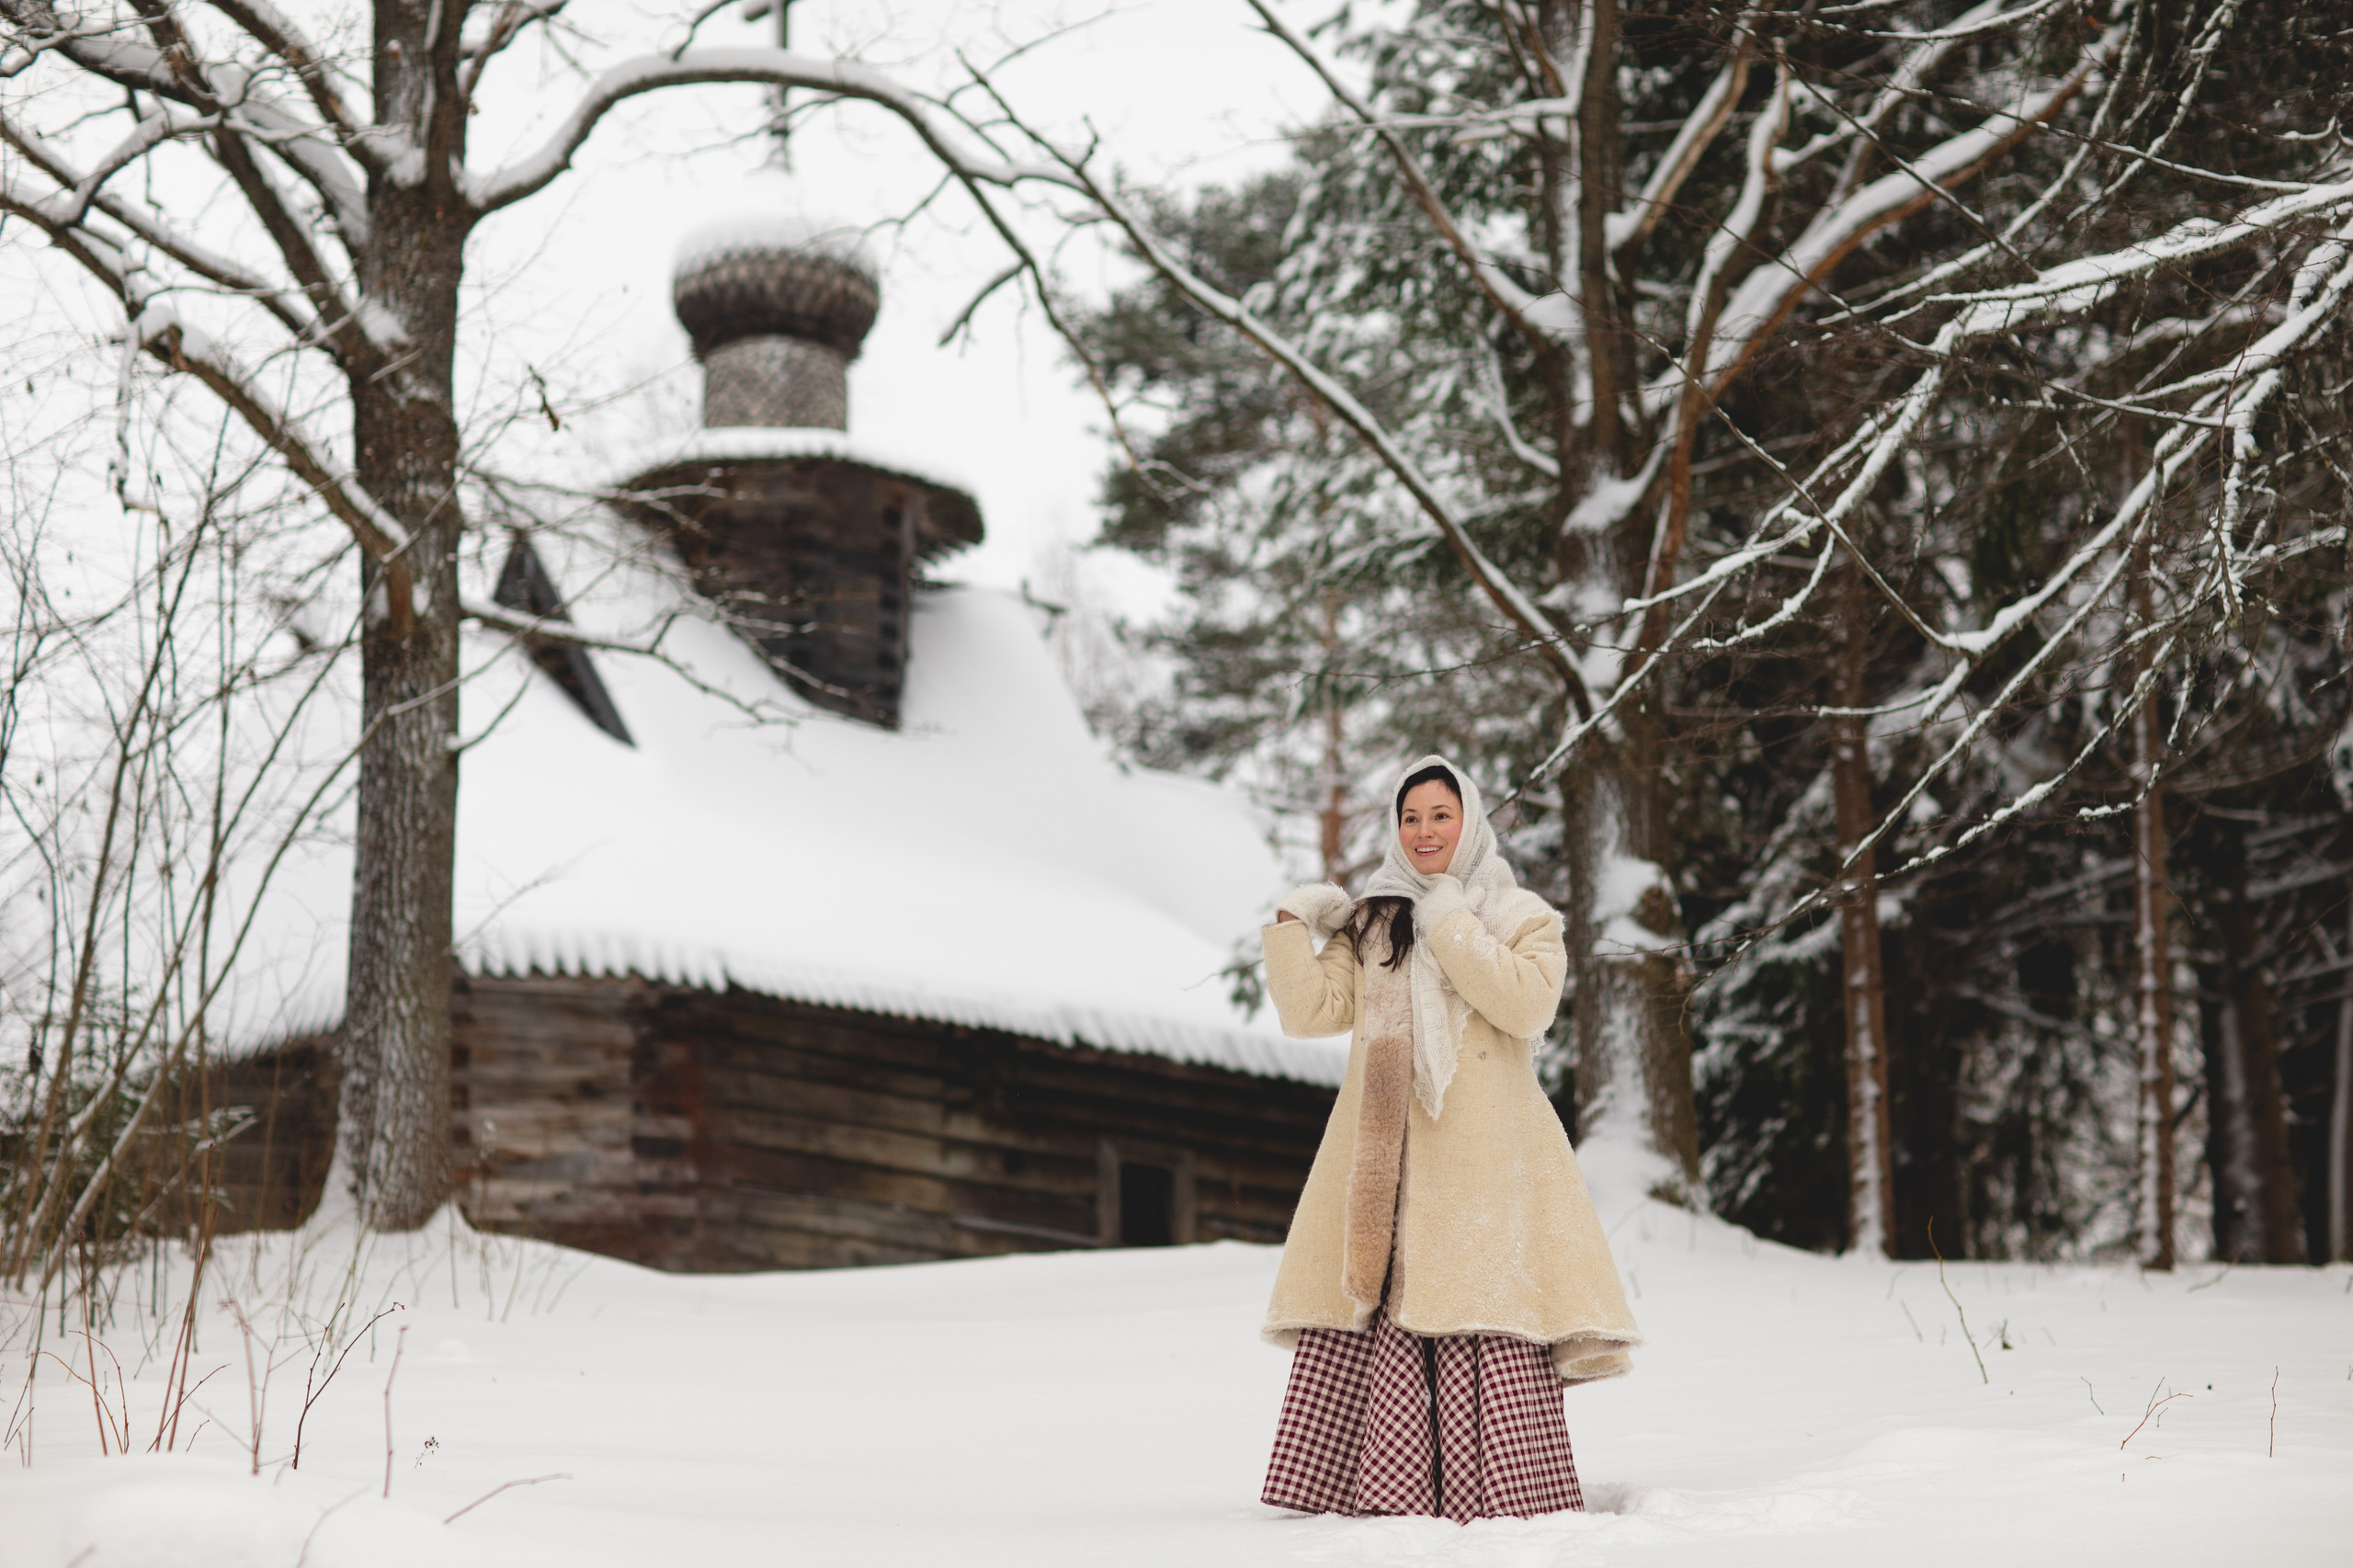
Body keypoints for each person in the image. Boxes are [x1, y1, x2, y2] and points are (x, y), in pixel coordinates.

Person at [1256, 755, 1639, 1521]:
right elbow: (1310, 1014)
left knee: (1480, 1295)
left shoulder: (1518, 913)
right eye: (1410, 818)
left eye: (1440, 814)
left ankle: (1496, 1494)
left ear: (1469, 820)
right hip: (1388, 1159)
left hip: (1489, 1160)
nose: (1425, 831)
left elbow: (1528, 1004)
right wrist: (1296, 924)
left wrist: (1448, 919)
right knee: (1392, 1296)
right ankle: (1383, 1492)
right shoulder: (1373, 924)